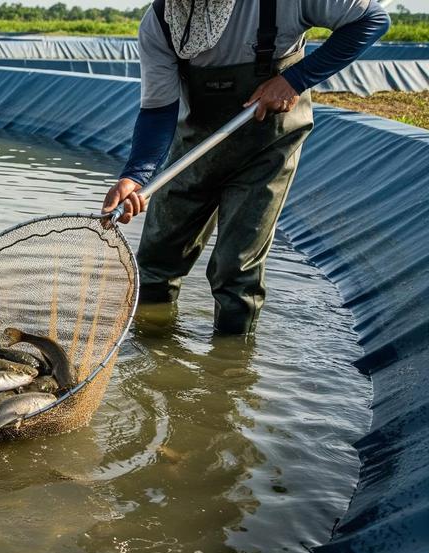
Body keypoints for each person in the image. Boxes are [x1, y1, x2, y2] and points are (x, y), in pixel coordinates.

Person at [102, 0, 389, 334]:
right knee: (154, 263)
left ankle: (228, 373)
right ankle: (151, 358)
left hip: (267, 147)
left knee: (235, 271)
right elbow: (158, 110)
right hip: (196, 145)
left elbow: (371, 20)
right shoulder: (160, 22)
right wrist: (135, 175)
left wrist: (294, 80)